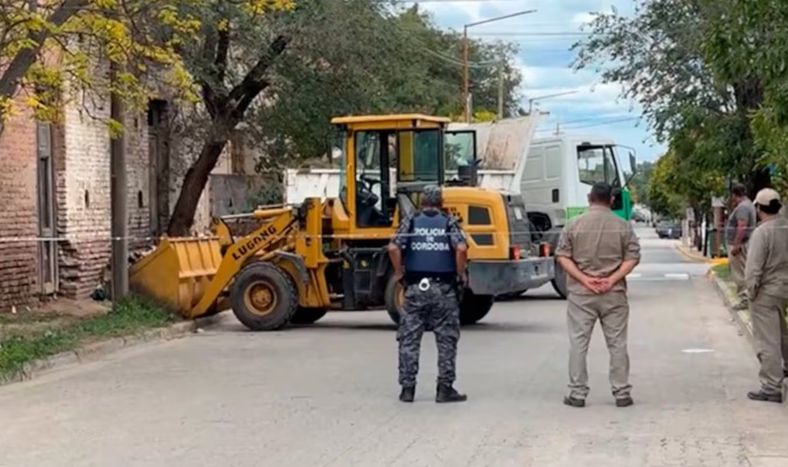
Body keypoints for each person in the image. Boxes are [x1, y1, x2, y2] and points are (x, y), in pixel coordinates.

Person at [555, 182, 641, 408]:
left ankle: (577, 393)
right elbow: (632, 257)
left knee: (578, 343)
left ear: (589, 198)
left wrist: (584, 279)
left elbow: (563, 256)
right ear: (611, 200)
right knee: (617, 343)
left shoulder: (573, 225)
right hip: (614, 293)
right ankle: (621, 392)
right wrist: (612, 279)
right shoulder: (623, 226)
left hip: (581, 293)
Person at [388, 185, 468, 403]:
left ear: (422, 202)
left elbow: (393, 248)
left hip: (415, 288)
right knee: (446, 339)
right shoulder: (448, 222)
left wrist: (398, 274)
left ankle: (407, 389)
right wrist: (460, 274)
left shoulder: (411, 221)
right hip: (443, 289)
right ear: (441, 202)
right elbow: (461, 249)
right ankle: (444, 389)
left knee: (409, 339)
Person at [744, 188, 788, 403]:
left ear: (759, 208)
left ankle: (771, 386)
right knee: (781, 333)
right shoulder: (785, 227)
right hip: (783, 289)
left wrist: (750, 291)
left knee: (767, 340)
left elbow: (753, 268)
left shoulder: (763, 232)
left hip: (765, 292)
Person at [727, 183, 757, 310]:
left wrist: (736, 244)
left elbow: (742, 225)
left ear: (734, 195)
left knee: (740, 273)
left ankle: (745, 299)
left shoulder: (743, 208)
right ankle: (747, 298)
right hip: (744, 243)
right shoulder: (748, 204)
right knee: (744, 270)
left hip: (741, 245)